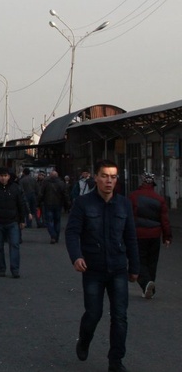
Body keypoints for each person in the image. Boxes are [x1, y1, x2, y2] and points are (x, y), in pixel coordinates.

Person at [65, 159, 139, 372]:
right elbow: (72, 232)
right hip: (93, 269)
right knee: (93, 314)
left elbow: (131, 237)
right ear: (95, 177)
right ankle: (84, 340)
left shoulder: (123, 204)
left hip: (117, 268)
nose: (109, 181)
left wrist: (134, 267)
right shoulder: (83, 203)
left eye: (113, 176)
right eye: (105, 176)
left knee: (120, 316)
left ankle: (115, 361)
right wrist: (76, 257)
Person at [127, 173, 172, 299]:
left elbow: (128, 217)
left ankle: (146, 283)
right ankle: (149, 286)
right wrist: (167, 236)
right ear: (153, 184)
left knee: (139, 260)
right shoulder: (159, 199)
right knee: (152, 262)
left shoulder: (133, 196)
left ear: (142, 183)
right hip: (154, 235)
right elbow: (165, 220)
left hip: (139, 234)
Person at [0, 167, 27, 278]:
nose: (3, 178)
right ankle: (1, 269)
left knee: (15, 245)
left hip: (13, 221)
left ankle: (15, 270)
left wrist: (22, 220)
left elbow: (21, 204)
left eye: (5, 176)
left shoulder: (15, 188)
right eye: (1, 176)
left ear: (9, 176)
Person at [38, 169, 69, 244]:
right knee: (57, 221)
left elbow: (41, 193)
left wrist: (38, 202)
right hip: (58, 204)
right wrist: (67, 204)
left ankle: (53, 235)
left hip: (48, 204)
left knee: (49, 221)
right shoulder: (61, 183)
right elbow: (65, 194)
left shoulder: (46, 183)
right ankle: (56, 236)